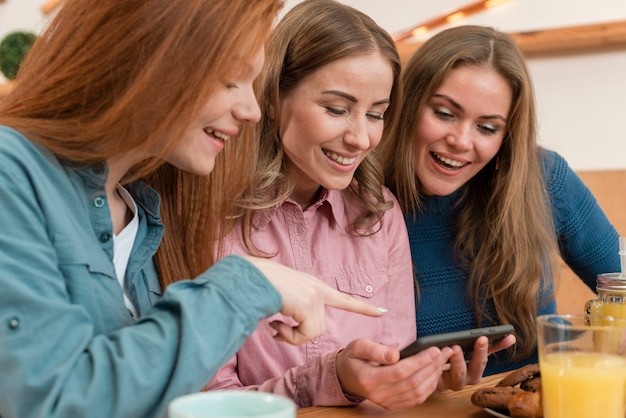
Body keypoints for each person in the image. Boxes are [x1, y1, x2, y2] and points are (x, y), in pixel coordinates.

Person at [0, 1, 388, 417]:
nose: (252, 111)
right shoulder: (12, 172)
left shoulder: (142, 211)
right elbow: (45, 402)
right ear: (148, 57)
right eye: (229, 81)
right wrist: (244, 285)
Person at [202, 1, 515, 410]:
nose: (360, 138)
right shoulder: (211, 217)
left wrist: (421, 381)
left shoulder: (379, 214)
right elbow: (205, 401)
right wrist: (330, 379)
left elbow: (390, 376)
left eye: (376, 114)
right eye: (336, 109)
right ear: (274, 96)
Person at [380, 24, 622, 376]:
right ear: (408, 103)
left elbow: (619, 279)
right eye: (445, 113)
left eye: (487, 127)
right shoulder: (360, 197)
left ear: (507, 136)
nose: (461, 141)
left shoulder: (543, 178)